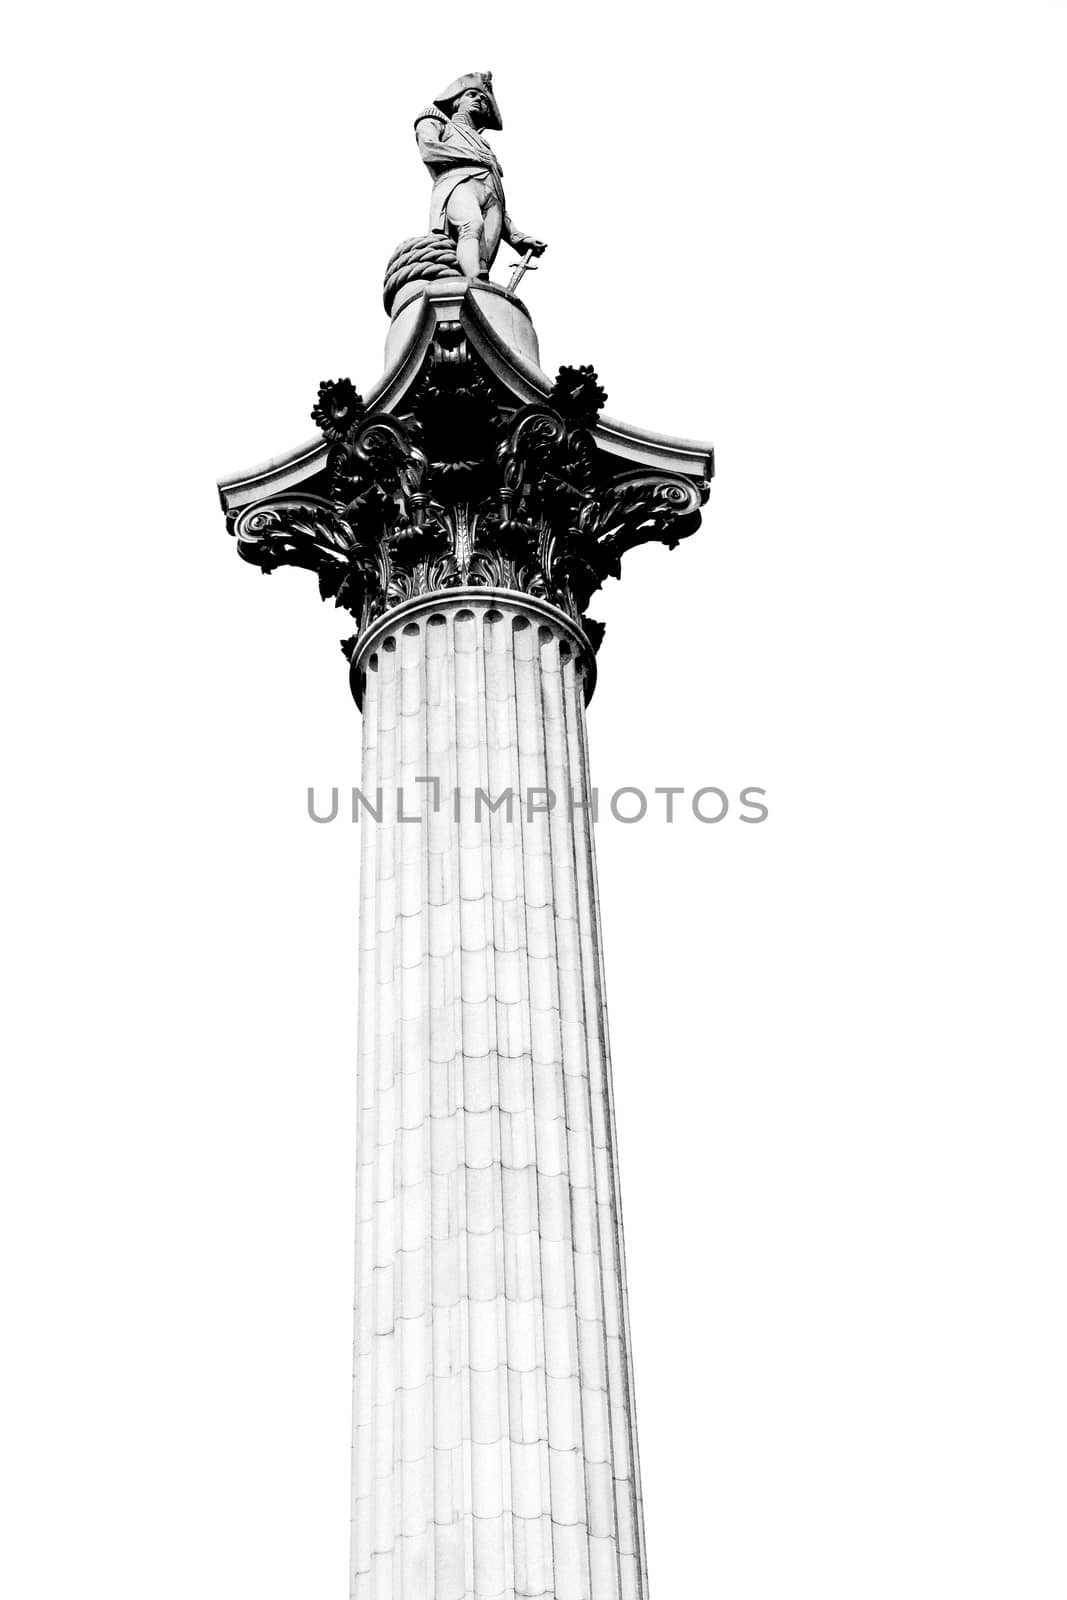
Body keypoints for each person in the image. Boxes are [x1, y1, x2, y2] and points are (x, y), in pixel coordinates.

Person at [414, 72, 547, 282]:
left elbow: (501, 208)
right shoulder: (438, 122)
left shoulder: (483, 143)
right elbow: (429, 150)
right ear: (457, 100)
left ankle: (477, 283)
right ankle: (473, 277)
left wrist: (516, 237)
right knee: (471, 224)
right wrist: (473, 156)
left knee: (483, 253)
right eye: (472, 95)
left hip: (492, 196)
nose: (478, 100)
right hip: (459, 182)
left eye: (483, 99)